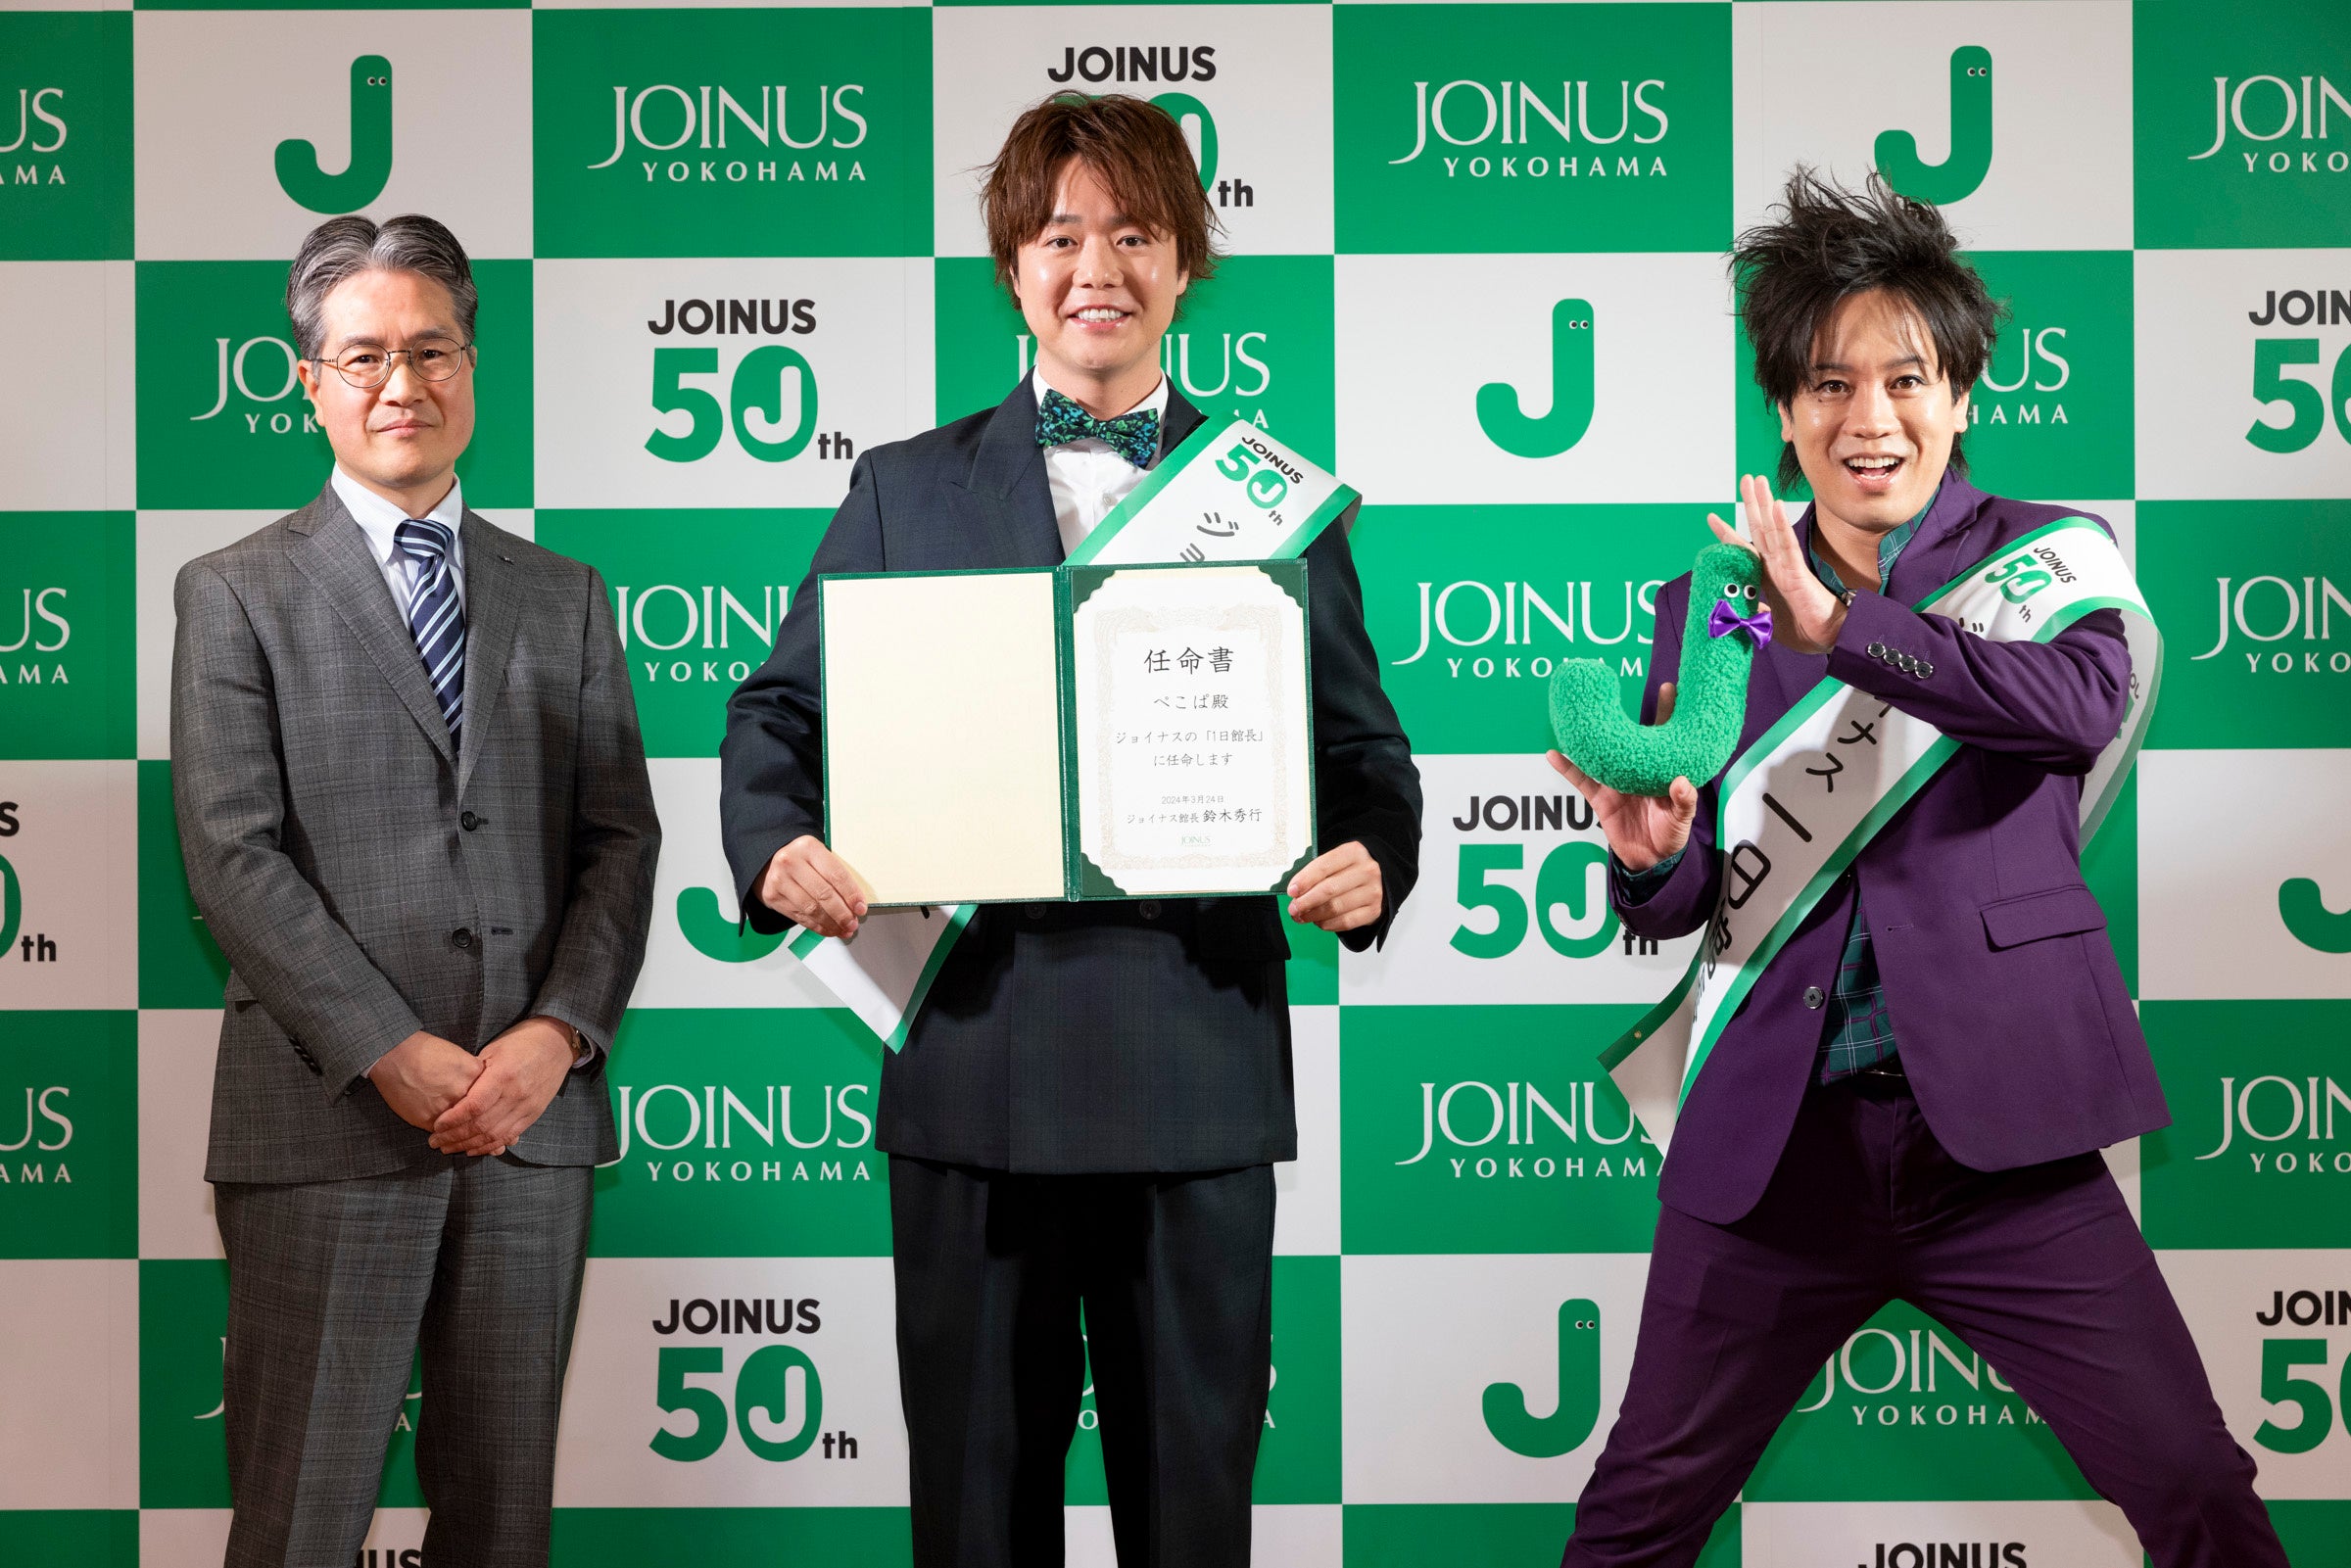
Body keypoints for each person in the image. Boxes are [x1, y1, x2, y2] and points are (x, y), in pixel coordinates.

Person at [1548, 171, 2288, 1568]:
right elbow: (1693, 888)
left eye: (1906, 379)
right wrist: (1651, 864)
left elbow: (2074, 708)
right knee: (1637, 1515)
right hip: (1777, 1150)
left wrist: (1854, 625)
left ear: (1961, 395)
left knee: (2192, 1481)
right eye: (1828, 384)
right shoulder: (1705, 599)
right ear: (1784, 408)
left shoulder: (2051, 556)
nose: (1868, 419)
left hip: (2001, 1138)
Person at [720, 93, 1420, 1568]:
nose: (1096, 265)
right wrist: (777, 842)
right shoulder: (904, 487)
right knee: (978, 1521)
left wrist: (1374, 860)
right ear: (1013, 268)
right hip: (975, 1070)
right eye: (1061, 236)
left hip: (1199, 1072)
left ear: (1185, 266)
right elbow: (779, 714)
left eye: (1134, 234)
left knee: (1192, 1519)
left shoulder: (1276, 504)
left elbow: (1364, 759)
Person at [171, 214, 661, 1568]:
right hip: (327, 1124)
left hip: (527, 1130)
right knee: (300, 1522)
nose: (404, 383)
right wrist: (390, 1050)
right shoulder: (233, 593)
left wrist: (553, 1040)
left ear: (472, 366)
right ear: (313, 380)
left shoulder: (565, 596)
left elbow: (622, 840)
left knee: (502, 1524)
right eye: (367, 355)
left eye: (432, 350)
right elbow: (231, 854)